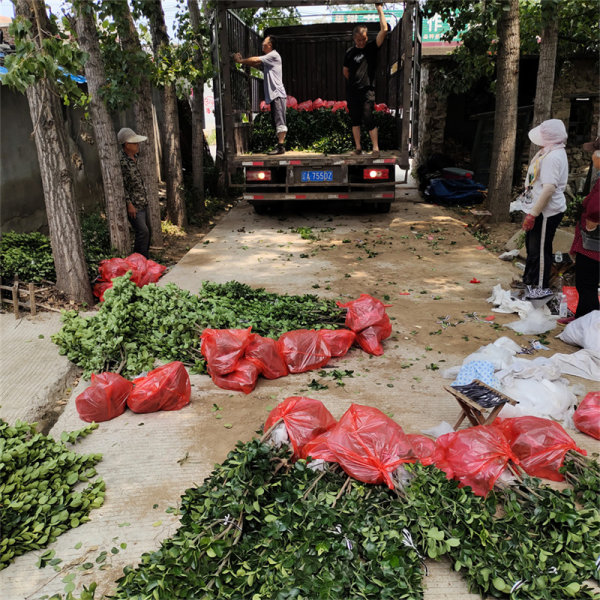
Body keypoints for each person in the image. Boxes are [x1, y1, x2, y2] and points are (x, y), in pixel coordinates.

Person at [519, 119, 569, 289]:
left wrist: (533, 214)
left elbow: (548, 189)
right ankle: (529, 281)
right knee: (532, 249)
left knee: (540, 251)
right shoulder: (547, 152)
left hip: (546, 212)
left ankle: (539, 287)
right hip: (538, 209)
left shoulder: (553, 157)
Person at [560, 137, 600, 323]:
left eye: (594, 153)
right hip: (592, 240)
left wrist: (593, 218)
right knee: (587, 282)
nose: (592, 156)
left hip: (594, 242)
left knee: (587, 282)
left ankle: (587, 324)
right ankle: (582, 317)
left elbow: (596, 206)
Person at [342, 3, 388, 156]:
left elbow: (385, 29)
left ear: (366, 36)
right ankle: (358, 148)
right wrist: (353, 83)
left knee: (368, 116)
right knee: (355, 119)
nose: (361, 42)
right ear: (354, 38)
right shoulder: (349, 52)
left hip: (367, 90)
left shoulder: (371, 48)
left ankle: (375, 148)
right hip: (352, 91)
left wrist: (379, 8)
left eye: (363, 39)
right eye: (358, 40)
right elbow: (345, 70)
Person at [234, 36, 287, 155]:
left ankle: (281, 147)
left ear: (270, 45)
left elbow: (256, 60)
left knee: (279, 121)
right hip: (274, 95)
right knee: (276, 121)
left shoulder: (273, 55)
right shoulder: (269, 59)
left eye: (264, 43)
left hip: (277, 94)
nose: (262, 45)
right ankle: (280, 145)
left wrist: (240, 61)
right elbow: (257, 64)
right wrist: (245, 62)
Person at [118, 127, 151, 258]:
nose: (138, 145)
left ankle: (145, 259)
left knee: (148, 232)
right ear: (127, 145)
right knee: (143, 231)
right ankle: (139, 260)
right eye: (135, 143)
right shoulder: (121, 161)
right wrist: (128, 204)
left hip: (143, 201)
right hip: (134, 205)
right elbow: (122, 185)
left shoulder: (136, 157)